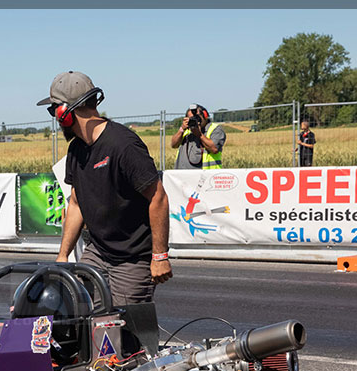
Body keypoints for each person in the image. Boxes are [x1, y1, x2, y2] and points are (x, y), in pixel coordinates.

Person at [37, 71, 172, 305]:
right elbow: (76, 204)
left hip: (131, 258)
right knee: (83, 313)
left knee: (126, 324)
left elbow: (158, 197)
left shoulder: (123, 145)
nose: (55, 118)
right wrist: (63, 255)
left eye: (53, 110)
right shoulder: (76, 150)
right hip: (98, 252)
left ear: (65, 112)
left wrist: (160, 256)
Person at [170, 103, 225, 170]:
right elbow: (173, 145)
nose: (195, 121)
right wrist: (181, 129)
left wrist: (199, 135)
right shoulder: (186, 130)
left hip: (204, 174)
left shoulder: (214, 129)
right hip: (182, 173)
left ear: (205, 115)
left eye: (197, 117)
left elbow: (214, 149)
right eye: (191, 118)